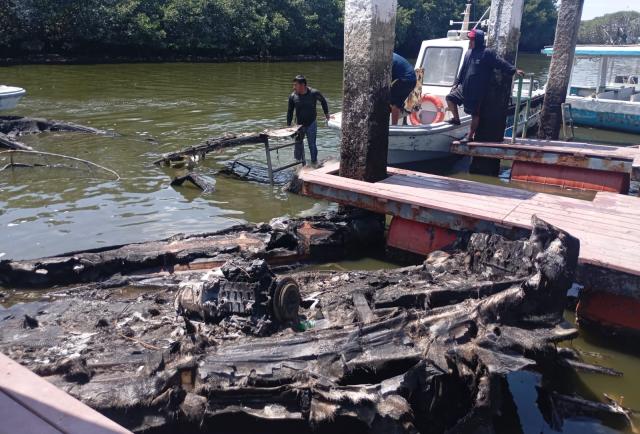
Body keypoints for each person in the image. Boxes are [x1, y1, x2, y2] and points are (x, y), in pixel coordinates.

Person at [446, 29, 524, 141]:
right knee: (450, 98)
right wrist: (456, 83)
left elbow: (500, 62)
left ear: (478, 40)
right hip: (464, 88)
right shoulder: (468, 53)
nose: (470, 41)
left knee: (475, 114)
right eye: (470, 39)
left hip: (476, 91)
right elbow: (463, 70)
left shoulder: (487, 53)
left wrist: (514, 70)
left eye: (472, 39)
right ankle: (456, 119)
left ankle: (470, 136)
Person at [286, 75, 330, 165]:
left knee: (312, 145)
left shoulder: (314, 93)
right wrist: (288, 125)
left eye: (295, 85)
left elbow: (323, 101)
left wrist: (326, 114)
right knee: (298, 145)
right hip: (298, 125)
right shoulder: (293, 96)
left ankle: (314, 162)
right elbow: (290, 111)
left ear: (303, 85)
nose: (293, 87)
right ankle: (298, 164)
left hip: (311, 123)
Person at [390, 53, 417, 125]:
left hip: (405, 79)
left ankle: (394, 126)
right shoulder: (391, 55)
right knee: (396, 103)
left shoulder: (386, 58)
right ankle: (395, 124)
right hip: (412, 79)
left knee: (394, 103)